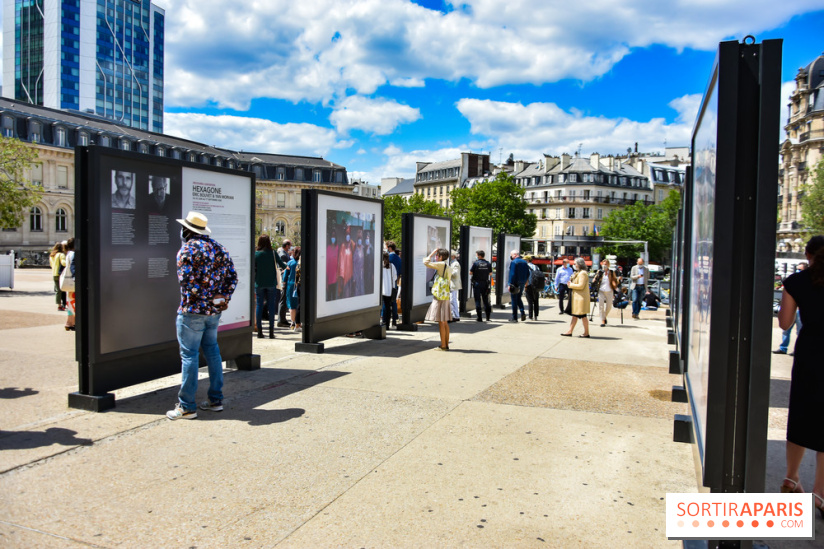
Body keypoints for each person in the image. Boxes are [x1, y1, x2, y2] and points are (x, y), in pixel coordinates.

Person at [167, 211, 237, 420]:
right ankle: (215, 400)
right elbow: (232, 276)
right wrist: (221, 297)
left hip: (192, 311)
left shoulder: (187, 250)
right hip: (213, 312)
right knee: (213, 352)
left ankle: (187, 405)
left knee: (189, 356)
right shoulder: (219, 248)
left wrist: (204, 298)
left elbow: (187, 282)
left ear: (186, 230)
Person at [777, 235, 824, 518]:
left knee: (801, 413)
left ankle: (791, 477)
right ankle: (819, 493)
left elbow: (785, 322)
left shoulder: (795, 281)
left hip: (808, 354)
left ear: (807, 255)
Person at [254, 234, 286, 339]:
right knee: (271, 307)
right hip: (271, 283)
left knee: (259, 305)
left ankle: (259, 332)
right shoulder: (273, 253)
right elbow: (282, 264)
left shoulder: (256, 254)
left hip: (259, 283)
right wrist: (287, 267)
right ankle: (271, 332)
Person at [775, 262, 807, 355]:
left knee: (799, 332)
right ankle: (783, 348)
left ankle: (796, 350)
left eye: (800, 269)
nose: (798, 271)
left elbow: (784, 323)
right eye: (797, 269)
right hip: (796, 311)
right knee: (787, 332)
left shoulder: (794, 281)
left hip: (799, 311)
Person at [424, 248, 452, 350]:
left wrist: (431, 253)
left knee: (441, 321)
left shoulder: (440, 264)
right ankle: (446, 344)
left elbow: (426, 262)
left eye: (437, 255)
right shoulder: (448, 266)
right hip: (446, 296)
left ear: (440, 256)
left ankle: (443, 345)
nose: (436, 257)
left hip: (439, 296)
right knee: (445, 322)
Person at [561, 257, 591, 337]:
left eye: (575, 264)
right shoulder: (579, 272)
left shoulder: (583, 273)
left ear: (579, 264)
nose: (574, 265)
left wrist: (571, 285)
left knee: (581, 316)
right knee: (577, 316)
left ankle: (585, 332)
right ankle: (571, 331)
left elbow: (581, 286)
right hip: (578, 298)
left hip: (580, 298)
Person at [469, 249, 493, 322]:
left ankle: (479, 317)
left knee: (477, 300)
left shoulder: (476, 264)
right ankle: (488, 317)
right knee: (486, 300)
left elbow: (470, 273)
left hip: (477, 283)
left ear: (479, 256)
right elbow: (490, 274)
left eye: (476, 255)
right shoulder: (488, 263)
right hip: (485, 283)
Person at [594, 258, 618, 327]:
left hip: (609, 290)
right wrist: (595, 279)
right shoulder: (600, 272)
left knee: (609, 306)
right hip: (601, 290)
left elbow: (615, 280)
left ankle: (604, 317)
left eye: (606, 264)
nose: (605, 265)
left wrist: (616, 283)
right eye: (604, 264)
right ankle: (602, 321)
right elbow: (595, 279)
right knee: (601, 306)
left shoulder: (611, 272)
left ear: (608, 265)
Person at [508, 250, 529, 322]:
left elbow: (512, 274)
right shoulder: (524, 262)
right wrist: (525, 281)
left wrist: (510, 284)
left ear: (514, 255)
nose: (511, 256)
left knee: (514, 299)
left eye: (511, 255)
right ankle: (522, 312)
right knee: (519, 298)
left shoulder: (514, 262)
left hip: (515, 283)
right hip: (522, 282)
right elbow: (528, 273)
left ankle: (514, 317)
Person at [384, 241, 402, 327]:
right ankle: (395, 319)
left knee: (385, 303)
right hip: (394, 282)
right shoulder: (398, 258)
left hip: (386, 283)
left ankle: (384, 320)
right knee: (393, 301)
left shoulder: (388, 258)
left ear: (389, 248)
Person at [284, 246, 302, 331]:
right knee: (298, 304)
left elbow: (285, 275)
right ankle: (298, 323)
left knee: (292, 306)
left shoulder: (290, 263)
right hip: (299, 285)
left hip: (291, 285)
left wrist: (283, 284)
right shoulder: (300, 263)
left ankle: (293, 322)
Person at [276, 239, 292, 327]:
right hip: (284, 280)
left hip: (284, 279)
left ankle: (283, 319)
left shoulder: (283, 253)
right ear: (287, 246)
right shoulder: (283, 255)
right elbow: (284, 267)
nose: (290, 247)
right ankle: (280, 320)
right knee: (283, 299)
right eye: (290, 245)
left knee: (284, 299)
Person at [381, 251, 397, 329]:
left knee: (384, 305)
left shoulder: (380, 266)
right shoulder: (392, 266)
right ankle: (387, 323)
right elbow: (395, 277)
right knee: (388, 306)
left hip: (382, 289)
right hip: (390, 289)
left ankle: (384, 321)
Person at [524, 254, 542, 320]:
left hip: (529, 285)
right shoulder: (536, 267)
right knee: (536, 301)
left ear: (528, 260)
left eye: (525, 260)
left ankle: (530, 316)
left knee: (530, 301)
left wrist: (525, 286)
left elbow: (527, 278)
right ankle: (536, 315)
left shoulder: (526, 267)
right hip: (536, 286)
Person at [63, 238, 76, 331]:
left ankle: (69, 323)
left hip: (69, 283)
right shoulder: (73, 254)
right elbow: (73, 267)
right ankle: (73, 323)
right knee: (74, 303)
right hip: (73, 282)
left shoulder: (68, 254)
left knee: (70, 304)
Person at [49, 242, 67, 311]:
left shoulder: (52, 255)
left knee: (57, 290)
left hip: (54, 273)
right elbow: (63, 263)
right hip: (60, 274)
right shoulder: (61, 255)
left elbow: (51, 265)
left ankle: (59, 304)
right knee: (62, 289)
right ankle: (61, 305)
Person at [337, 225, 354, 298]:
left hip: (351, 275)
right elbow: (341, 261)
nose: (348, 236)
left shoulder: (353, 245)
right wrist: (341, 275)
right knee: (345, 293)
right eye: (347, 234)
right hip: (344, 276)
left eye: (349, 234)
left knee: (351, 293)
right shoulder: (343, 246)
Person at [449, 250, 462, 322]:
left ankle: (456, 315)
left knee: (452, 300)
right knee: (452, 300)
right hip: (452, 284)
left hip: (453, 284)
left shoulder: (455, 264)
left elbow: (455, 274)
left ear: (453, 256)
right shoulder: (452, 263)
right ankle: (454, 315)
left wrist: (447, 271)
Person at [326, 227, 338, 300]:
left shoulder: (338, 248)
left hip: (335, 276)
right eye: (332, 236)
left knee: (334, 295)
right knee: (329, 295)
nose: (333, 238)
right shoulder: (328, 248)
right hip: (328, 276)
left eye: (334, 236)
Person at [353, 228, 365, 297]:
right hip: (356, 272)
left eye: (361, 237)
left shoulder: (363, 248)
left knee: (362, 289)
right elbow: (353, 262)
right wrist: (354, 276)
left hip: (362, 272)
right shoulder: (354, 248)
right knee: (356, 290)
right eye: (358, 238)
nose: (360, 239)